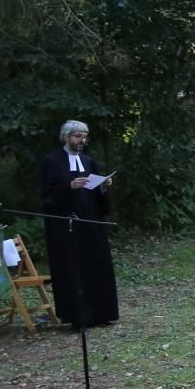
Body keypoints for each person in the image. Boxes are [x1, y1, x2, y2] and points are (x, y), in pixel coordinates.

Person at [38, 119, 119, 326]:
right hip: (66, 225)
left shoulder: (88, 160)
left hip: (91, 223)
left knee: (96, 265)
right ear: (66, 137)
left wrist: (102, 187)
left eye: (84, 136)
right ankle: (78, 318)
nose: (82, 140)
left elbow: (94, 195)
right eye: (77, 136)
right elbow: (46, 195)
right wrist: (69, 186)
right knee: (73, 269)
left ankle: (101, 314)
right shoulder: (51, 161)